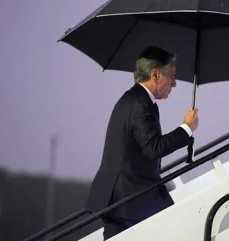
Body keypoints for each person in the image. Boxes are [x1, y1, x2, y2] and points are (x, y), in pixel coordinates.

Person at [85, 46, 199, 240]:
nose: (175, 83)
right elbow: (153, 148)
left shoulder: (136, 99)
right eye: (172, 76)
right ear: (156, 75)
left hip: (125, 200)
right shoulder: (140, 103)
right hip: (129, 200)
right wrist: (186, 128)